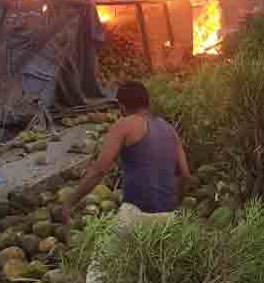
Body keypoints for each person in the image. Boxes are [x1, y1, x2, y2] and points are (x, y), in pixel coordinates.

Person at [62, 80, 191, 226]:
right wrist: (175, 203)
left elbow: (99, 171)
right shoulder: (169, 129)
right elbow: (185, 174)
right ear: (147, 103)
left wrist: (70, 203)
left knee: (105, 246)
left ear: (121, 106)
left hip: (137, 217)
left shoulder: (124, 124)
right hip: (169, 218)